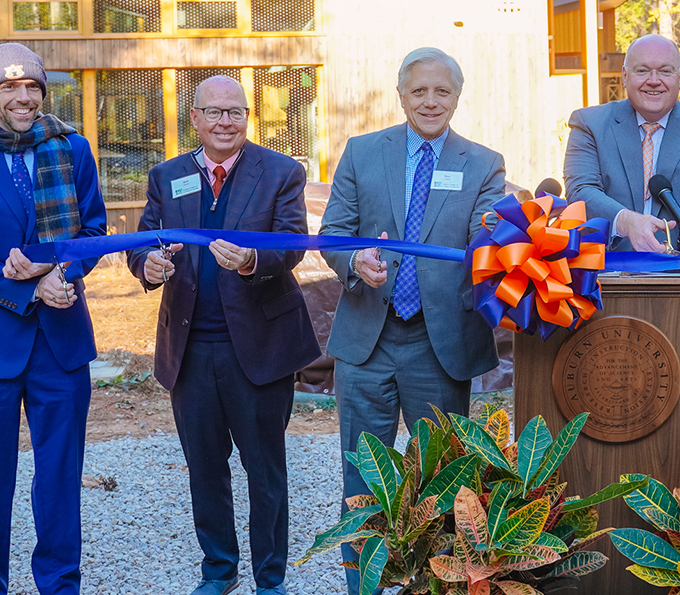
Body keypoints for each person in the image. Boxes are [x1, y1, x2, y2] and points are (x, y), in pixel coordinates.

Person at [319, 47, 506, 595]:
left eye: (441, 91)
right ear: (401, 94)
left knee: (442, 484)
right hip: (366, 341)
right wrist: (356, 259)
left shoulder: (483, 162)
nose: (430, 101)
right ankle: (364, 588)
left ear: (456, 97)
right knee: (363, 481)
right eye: (419, 91)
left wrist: (507, 229)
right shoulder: (361, 152)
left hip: (439, 342)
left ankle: (432, 587)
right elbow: (335, 231)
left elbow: (486, 234)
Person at [126, 75, 321, 595]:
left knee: (265, 469)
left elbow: (292, 241)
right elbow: (142, 241)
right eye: (212, 112)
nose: (224, 122)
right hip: (189, 349)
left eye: (234, 111)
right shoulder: (167, 175)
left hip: (259, 348)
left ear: (247, 117)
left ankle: (270, 578)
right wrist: (147, 265)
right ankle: (218, 571)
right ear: (194, 119)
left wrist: (257, 258)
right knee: (205, 469)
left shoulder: (280, 171)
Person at [0, 43, 107, 594]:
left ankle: (60, 586)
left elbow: (94, 233)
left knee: (58, 479)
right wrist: (32, 288)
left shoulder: (73, 149)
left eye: (32, 87)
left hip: (62, 343)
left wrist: (67, 274)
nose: (24, 97)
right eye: (10, 88)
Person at [563, 33, 680, 334]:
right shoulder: (589, 123)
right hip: (602, 285)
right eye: (643, 70)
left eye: (665, 70)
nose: (654, 80)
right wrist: (627, 222)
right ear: (624, 76)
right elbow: (581, 190)